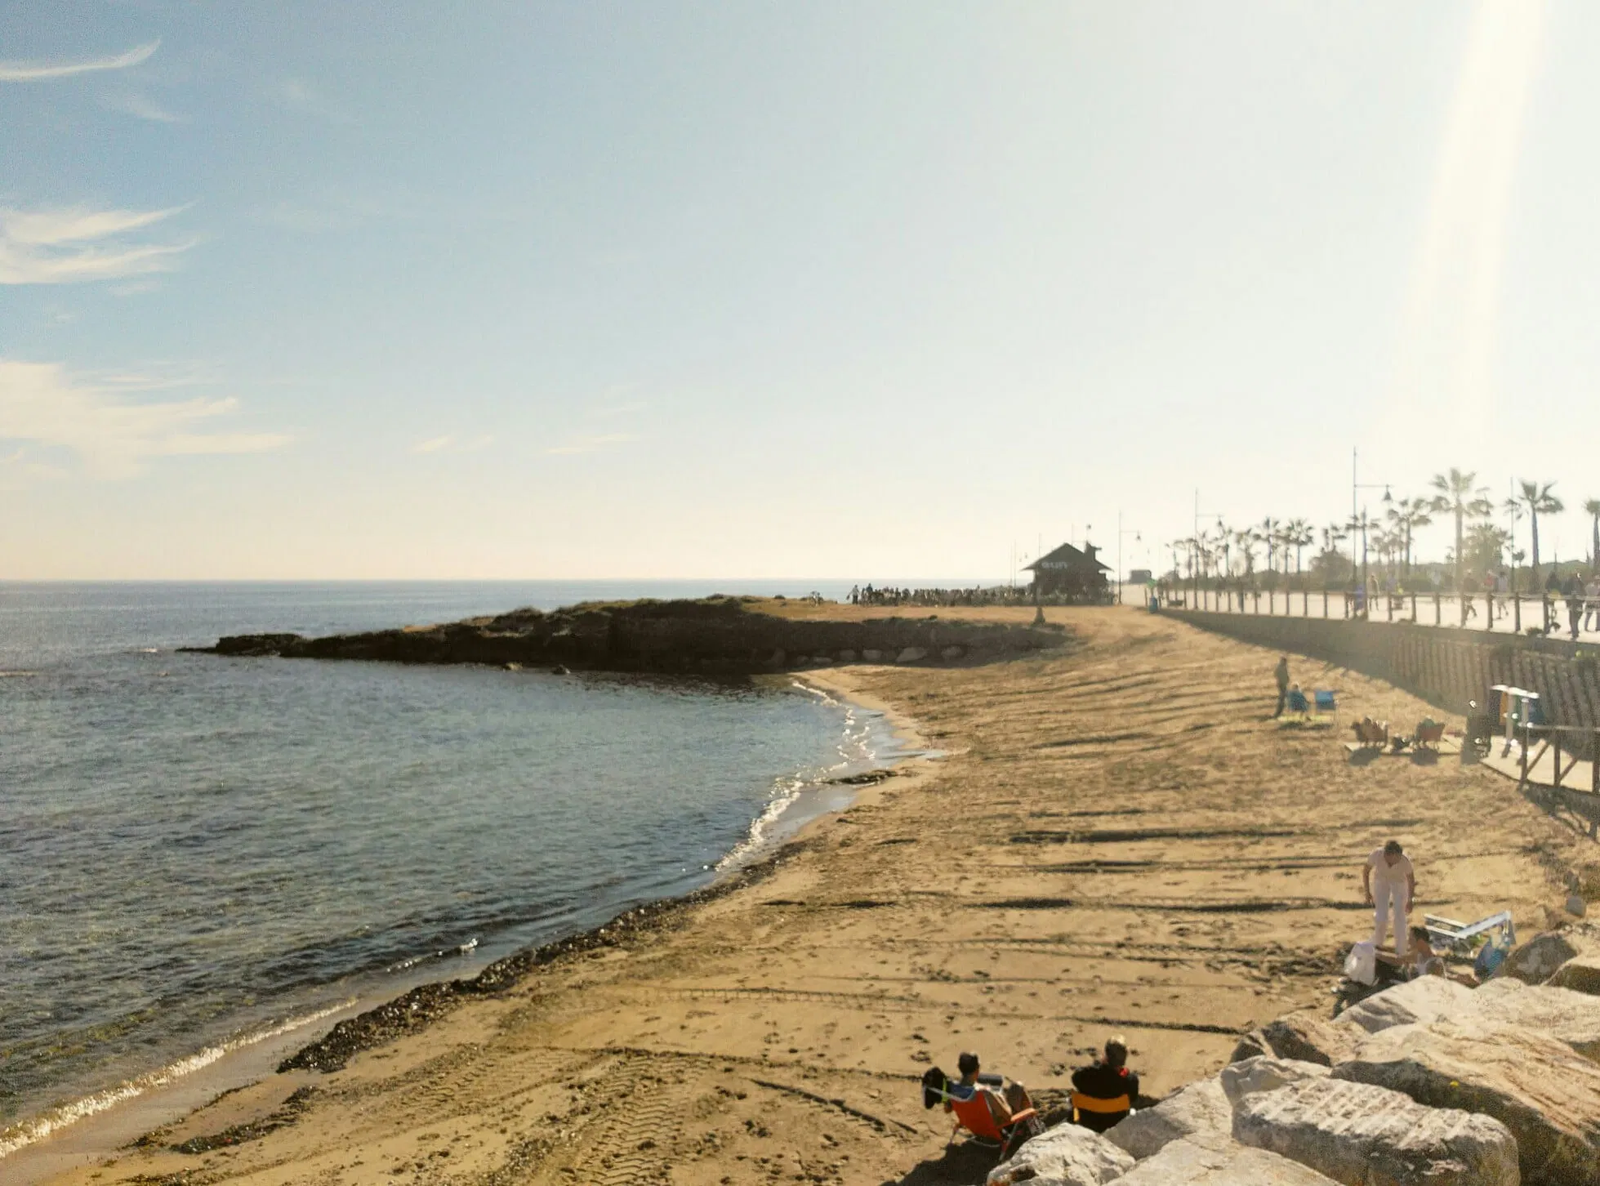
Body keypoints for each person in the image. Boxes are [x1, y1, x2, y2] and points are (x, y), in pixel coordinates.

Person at [942, 1051, 1034, 1129]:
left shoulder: (951, 1089)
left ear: (959, 1067)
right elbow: (1007, 1115)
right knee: (1018, 1087)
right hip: (999, 1127)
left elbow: (947, 1110)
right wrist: (1000, 1098)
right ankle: (1031, 1126)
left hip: (976, 1126)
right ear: (977, 1069)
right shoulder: (983, 1092)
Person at [1071, 1035, 1139, 1133]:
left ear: (1106, 1055)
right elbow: (1133, 1098)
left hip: (1087, 1125)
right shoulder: (1130, 1082)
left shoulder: (1086, 1076)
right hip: (1115, 1128)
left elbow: (1075, 1078)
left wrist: (1097, 1065)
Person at [1364, 839, 1416, 958]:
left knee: (1399, 916)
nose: (1397, 860)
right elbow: (1366, 871)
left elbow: (1411, 879)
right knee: (1381, 915)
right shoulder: (1376, 855)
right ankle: (1378, 945)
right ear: (1387, 855)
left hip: (1399, 883)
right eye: (1394, 858)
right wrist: (1367, 892)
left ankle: (1401, 951)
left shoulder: (1404, 861)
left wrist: (1410, 899)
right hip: (1381, 881)